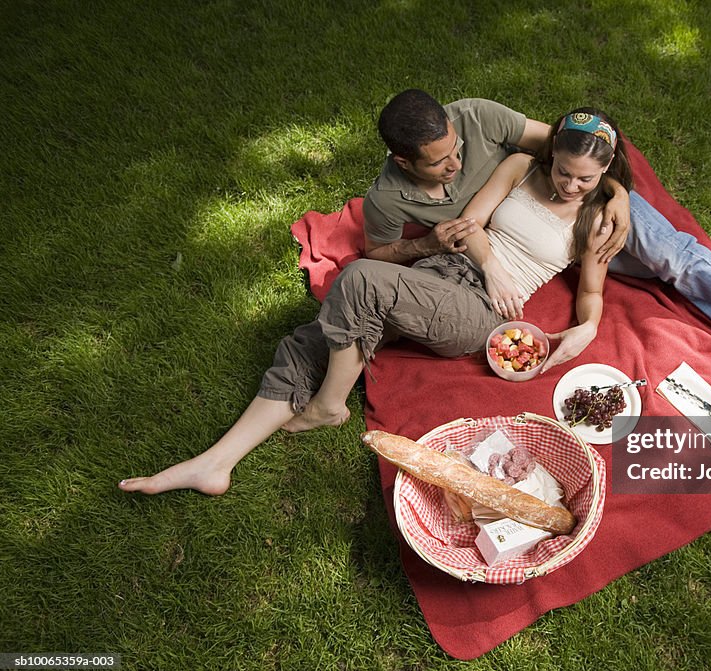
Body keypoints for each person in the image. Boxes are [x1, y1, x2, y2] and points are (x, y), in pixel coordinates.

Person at [118, 108, 631, 496]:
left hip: (479, 313)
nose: (570, 185)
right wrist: (491, 263)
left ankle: (327, 406)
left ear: (606, 170)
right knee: (311, 339)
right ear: (552, 156)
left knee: (360, 278)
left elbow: (590, 291)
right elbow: (470, 223)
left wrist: (587, 326)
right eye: (564, 172)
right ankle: (217, 461)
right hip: (439, 274)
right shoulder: (521, 166)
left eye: (585, 179)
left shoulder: (600, 214)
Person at [361, 90, 711, 409]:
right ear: (407, 160)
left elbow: (574, 152)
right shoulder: (404, 193)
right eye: (438, 162)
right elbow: (553, 165)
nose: (452, 164)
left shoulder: (485, 119)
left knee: (678, 261)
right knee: (687, 270)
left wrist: (613, 194)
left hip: (603, 204)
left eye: (453, 152)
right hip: (552, 218)